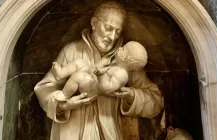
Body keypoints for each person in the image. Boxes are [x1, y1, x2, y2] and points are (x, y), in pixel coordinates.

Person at [34, 1, 163, 140]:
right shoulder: (71, 51)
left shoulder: (126, 60)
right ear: (94, 23)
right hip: (71, 133)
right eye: (108, 28)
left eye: (117, 31)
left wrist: (131, 95)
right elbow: (44, 89)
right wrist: (64, 105)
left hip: (108, 132)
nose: (112, 36)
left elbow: (155, 101)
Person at [51, 41, 148, 101]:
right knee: (80, 62)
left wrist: (101, 75)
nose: (119, 48)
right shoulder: (117, 65)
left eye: (123, 49)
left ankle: (64, 94)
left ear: (125, 58)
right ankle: (61, 73)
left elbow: (107, 88)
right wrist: (100, 68)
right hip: (93, 78)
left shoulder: (122, 74)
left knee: (78, 76)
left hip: (92, 89)